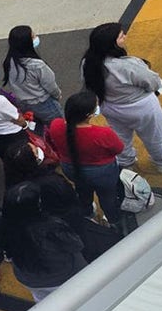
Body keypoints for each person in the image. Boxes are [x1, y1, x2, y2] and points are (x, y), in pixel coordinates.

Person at [81, 23, 162, 173]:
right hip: (141, 108)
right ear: (112, 43)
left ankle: (126, 162)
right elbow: (153, 82)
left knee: (121, 137)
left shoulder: (88, 63)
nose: (125, 37)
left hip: (110, 107)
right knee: (154, 135)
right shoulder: (127, 65)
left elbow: (88, 85)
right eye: (121, 36)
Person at [0, 182, 87, 302]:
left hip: (28, 278)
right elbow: (77, 245)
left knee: (42, 301)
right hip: (64, 276)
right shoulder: (52, 227)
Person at [46, 91, 125, 226]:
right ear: (88, 115)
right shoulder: (103, 134)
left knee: (82, 191)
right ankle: (113, 220)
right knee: (108, 197)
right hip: (102, 172)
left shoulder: (56, 125)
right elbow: (118, 149)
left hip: (70, 168)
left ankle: (88, 214)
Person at [2, 25, 62, 128]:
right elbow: (50, 85)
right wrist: (58, 95)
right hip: (43, 103)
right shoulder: (37, 65)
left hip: (24, 104)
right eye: (33, 37)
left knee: (37, 127)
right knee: (58, 127)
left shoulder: (10, 61)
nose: (36, 37)